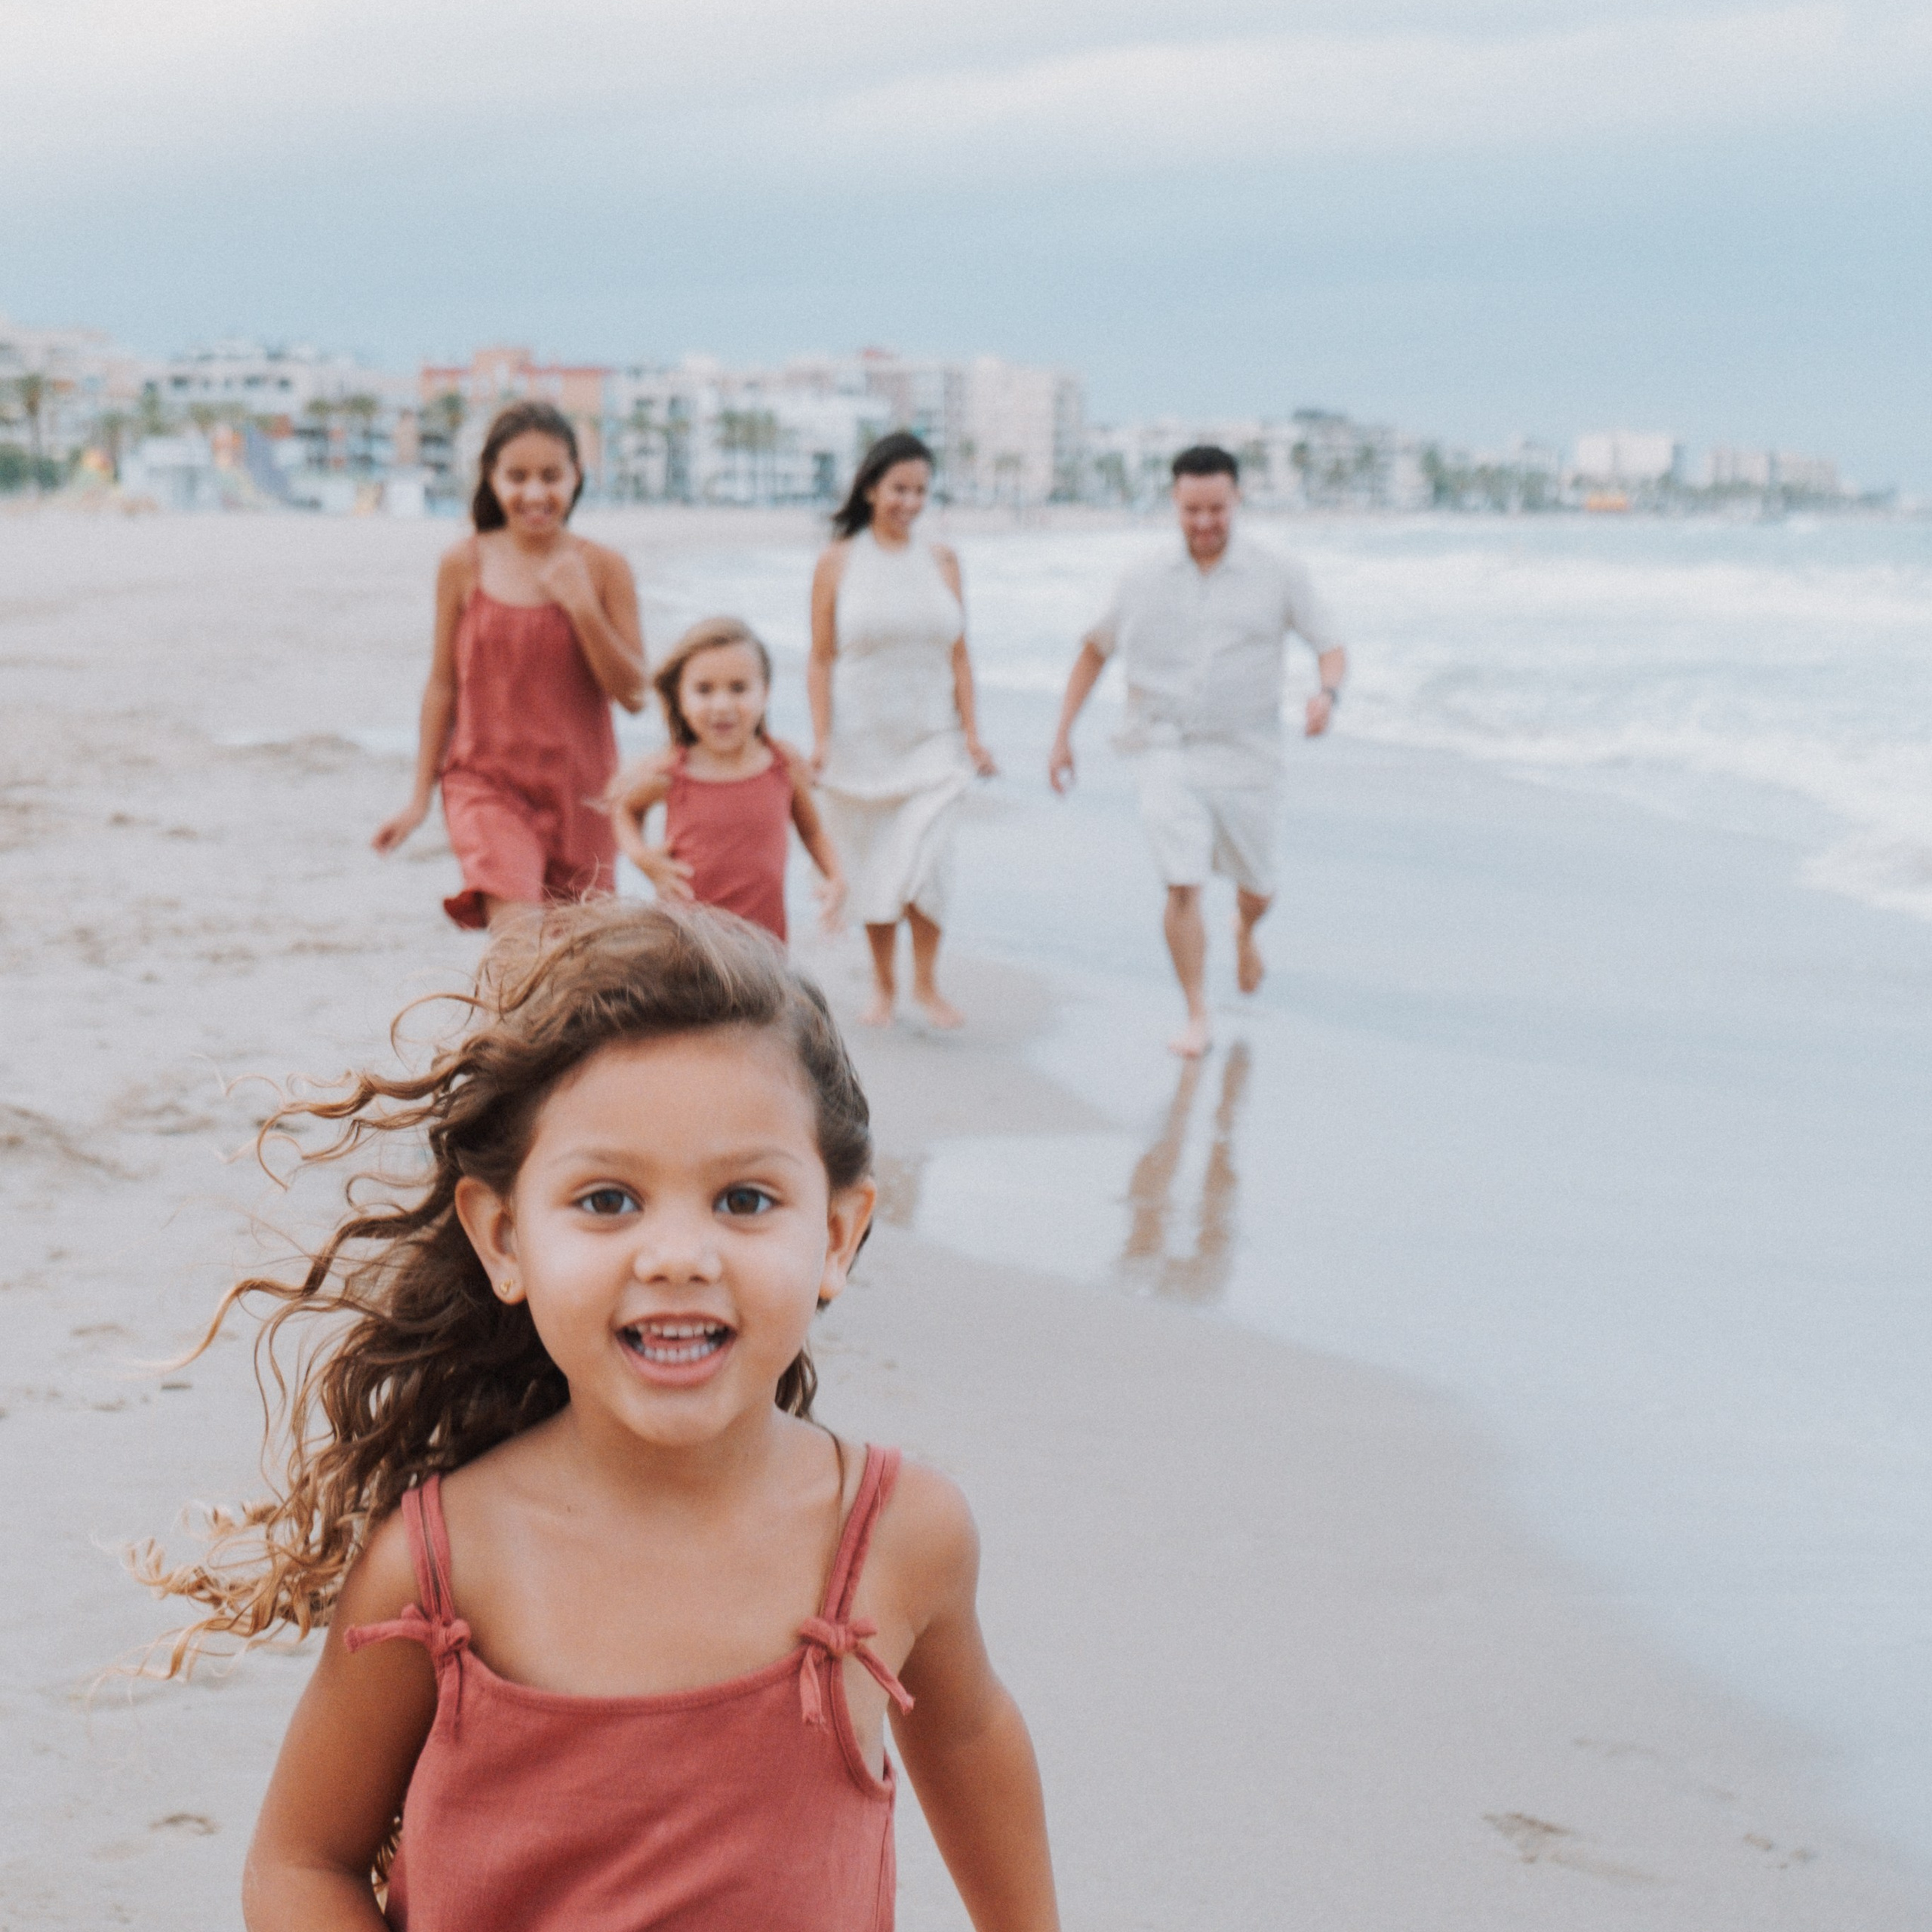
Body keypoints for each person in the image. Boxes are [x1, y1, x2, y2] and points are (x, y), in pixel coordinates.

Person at [136, 903, 1060, 1932]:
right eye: (608, 1201)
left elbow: (973, 1741)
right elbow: (301, 1862)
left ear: (839, 1234)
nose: (677, 1254)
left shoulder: (899, 1535)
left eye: (745, 1201)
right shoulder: (441, 1567)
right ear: (503, 1239)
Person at [1048, 445, 1347, 1057]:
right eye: (1192, 510)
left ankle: (1244, 928)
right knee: (1181, 882)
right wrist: (1062, 736)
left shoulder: (1278, 570)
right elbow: (1094, 649)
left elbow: (1330, 642)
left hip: (1249, 750)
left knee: (1258, 886)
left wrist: (1327, 695)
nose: (1204, 522)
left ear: (1237, 500)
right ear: (1175, 504)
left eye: (1216, 508)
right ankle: (1195, 1013)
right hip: (1164, 744)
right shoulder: (1141, 576)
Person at [373, 401, 647, 929]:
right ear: (492, 480)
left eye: (551, 476)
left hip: (583, 796)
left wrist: (582, 606)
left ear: (576, 478)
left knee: (579, 968)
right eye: (517, 476)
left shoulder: (605, 568)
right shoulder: (462, 563)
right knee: (518, 944)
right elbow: (442, 687)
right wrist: (418, 798)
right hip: (487, 785)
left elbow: (635, 694)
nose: (535, 493)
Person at [810, 432, 997, 1030]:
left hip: (933, 740)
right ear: (870, 489)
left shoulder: (942, 561)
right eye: (898, 489)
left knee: (929, 858)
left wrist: (972, 734)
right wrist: (821, 739)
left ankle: (927, 982)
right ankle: (886, 987)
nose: (910, 502)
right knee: (877, 865)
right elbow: (820, 658)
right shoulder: (839, 561)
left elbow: (961, 654)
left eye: (920, 490)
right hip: (862, 742)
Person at [607, 616, 847, 944]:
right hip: (687, 943)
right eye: (704, 690)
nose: (722, 705)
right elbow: (624, 809)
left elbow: (812, 830)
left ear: (765, 692)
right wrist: (642, 858)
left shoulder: (781, 764)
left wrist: (835, 878)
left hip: (762, 945)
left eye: (739, 688)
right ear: (680, 697)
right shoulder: (674, 772)